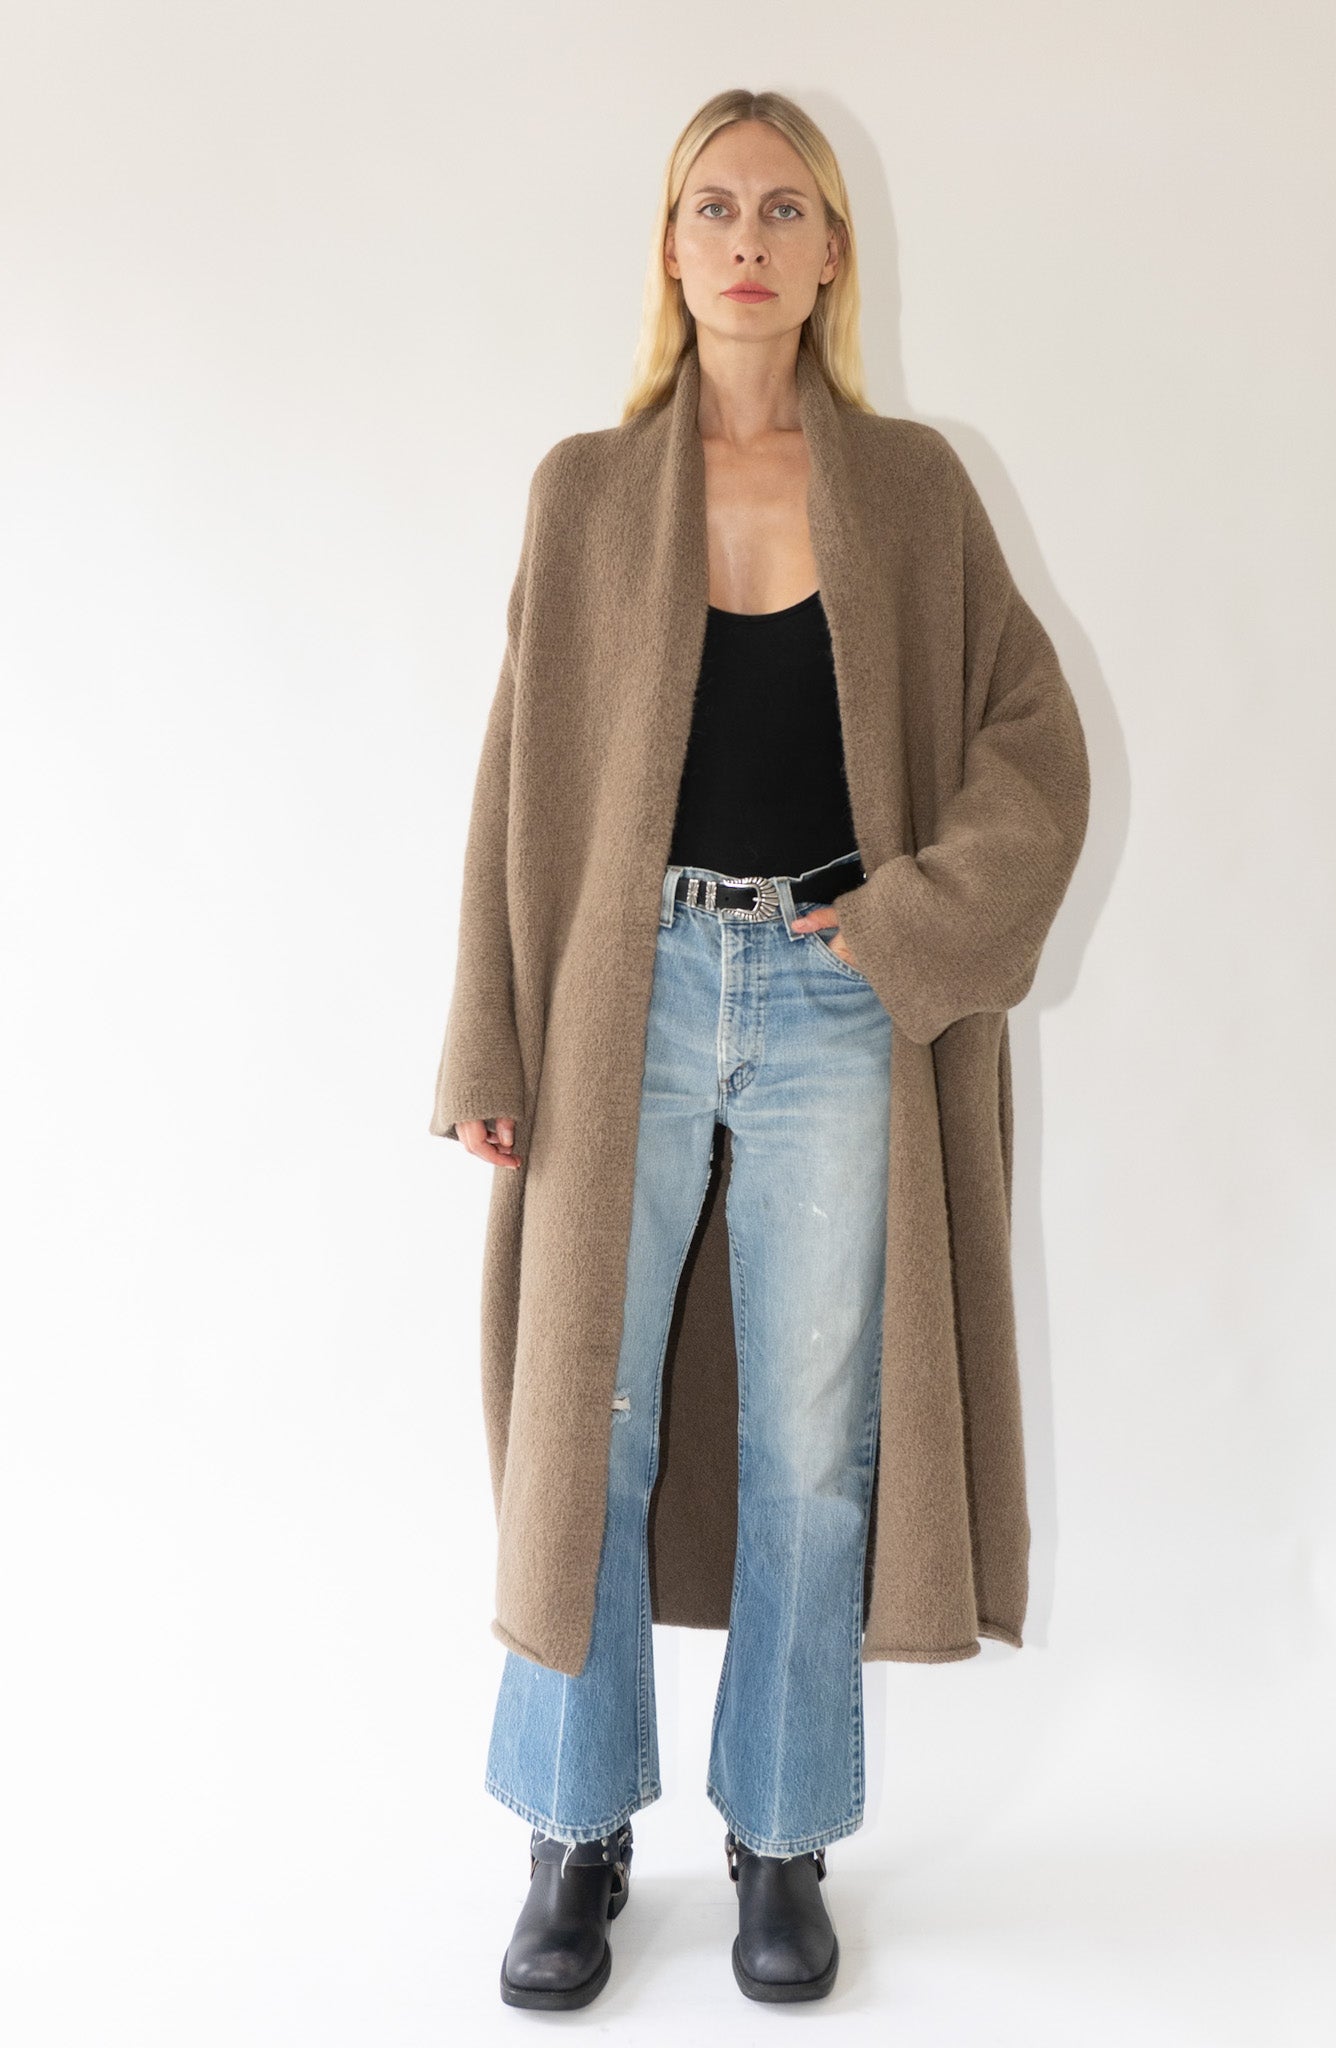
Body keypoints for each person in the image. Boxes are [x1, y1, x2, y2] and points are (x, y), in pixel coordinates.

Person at [431, 87, 1090, 2012]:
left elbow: (1033, 747)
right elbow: (511, 786)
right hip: (621, 992)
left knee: (814, 1440)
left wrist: (906, 925)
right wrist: (488, 1037)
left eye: (781, 210)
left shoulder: (913, 490)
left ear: (827, 256)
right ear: (669, 248)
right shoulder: (581, 491)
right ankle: (573, 1831)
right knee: (589, 1415)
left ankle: (781, 1836)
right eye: (711, 207)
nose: (744, 238)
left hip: (827, 994)